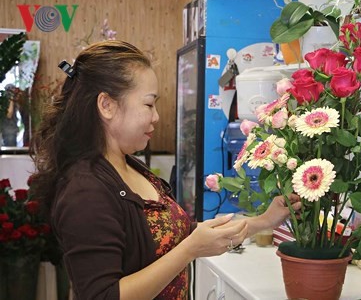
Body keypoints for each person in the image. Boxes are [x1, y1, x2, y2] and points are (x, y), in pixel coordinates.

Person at [30, 40, 301, 300]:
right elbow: (103, 295)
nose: (156, 116)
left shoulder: (131, 167)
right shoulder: (85, 191)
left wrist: (263, 221)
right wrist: (189, 251)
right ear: (107, 105)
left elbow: (173, 233)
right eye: (148, 104)